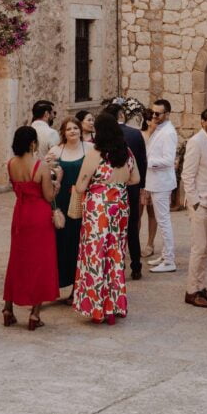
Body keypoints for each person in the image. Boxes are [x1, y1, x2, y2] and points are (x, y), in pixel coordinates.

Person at [73, 112, 140, 323]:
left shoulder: (95, 153)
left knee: (95, 254)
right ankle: (113, 307)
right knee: (115, 254)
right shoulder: (126, 152)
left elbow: (81, 185)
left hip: (98, 208)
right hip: (120, 205)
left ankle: (96, 308)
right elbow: (135, 179)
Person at [2, 125, 60, 330]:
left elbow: (17, 189)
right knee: (40, 263)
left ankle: (8, 309)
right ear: (33, 143)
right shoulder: (40, 166)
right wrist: (58, 181)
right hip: (38, 216)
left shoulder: (10, 164)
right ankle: (35, 314)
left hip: (20, 215)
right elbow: (48, 196)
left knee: (17, 260)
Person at [181, 108, 207, 308]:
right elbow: (187, 175)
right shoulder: (196, 142)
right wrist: (195, 201)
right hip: (200, 203)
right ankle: (191, 291)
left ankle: (201, 286)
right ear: (202, 121)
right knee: (199, 248)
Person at [103, 101, 147, 281]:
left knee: (111, 227)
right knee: (132, 226)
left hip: (110, 188)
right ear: (121, 115)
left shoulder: (103, 137)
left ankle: (113, 265)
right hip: (132, 186)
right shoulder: (135, 134)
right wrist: (142, 186)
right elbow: (142, 162)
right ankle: (136, 265)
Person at [46, 117, 88, 302]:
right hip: (61, 202)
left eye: (75, 128)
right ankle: (54, 285)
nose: (73, 131)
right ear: (63, 132)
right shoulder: (56, 151)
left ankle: (75, 289)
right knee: (59, 243)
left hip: (81, 202)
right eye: (69, 129)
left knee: (77, 244)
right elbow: (48, 174)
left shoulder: (91, 149)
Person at [144, 98, 178, 273]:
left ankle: (170, 259)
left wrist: (147, 162)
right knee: (162, 219)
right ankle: (165, 255)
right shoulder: (159, 129)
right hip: (156, 181)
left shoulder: (169, 133)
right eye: (153, 113)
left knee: (164, 221)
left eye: (158, 113)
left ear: (167, 114)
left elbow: (168, 160)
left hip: (162, 182)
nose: (154, 116)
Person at [139, 108, 159, 258]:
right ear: (147, 121)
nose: (156, 121)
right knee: (137, 214)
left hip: (154, 179)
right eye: (154, 119)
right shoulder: (139, 136)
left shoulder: (160, 136)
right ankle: (135, 243)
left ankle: (150, 243)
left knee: (153, 214)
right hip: (141, 179)